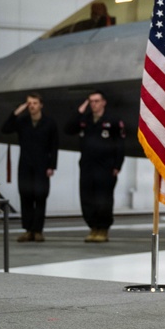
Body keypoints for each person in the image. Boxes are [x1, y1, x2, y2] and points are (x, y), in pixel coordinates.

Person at [65, 91, 125, 243]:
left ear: (103, 102)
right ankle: (93, 227)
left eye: (97, 101)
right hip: (87, 166)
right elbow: (68, 129)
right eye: (91, 101)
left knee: (103, 199)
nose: (94, 104)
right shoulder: (85, 120)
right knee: (87, 198)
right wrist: (80, 110)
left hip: (106, 167)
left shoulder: (112, 120)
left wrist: (117, 165)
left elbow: (120, 144)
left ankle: (103, 229)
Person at [2, 93, 59, 243]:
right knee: (26, 196)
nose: (32, 106)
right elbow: (5, 129)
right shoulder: (22, 121)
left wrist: (52, 166)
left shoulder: (49, 123)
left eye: (34, 103)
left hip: (42, 165)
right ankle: (28, 230)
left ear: (41, 105)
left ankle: (38, 230)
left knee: (40, 197)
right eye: (29, 103)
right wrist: (16, 113)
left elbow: (54, 146)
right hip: (25, 164)